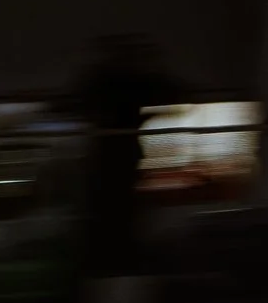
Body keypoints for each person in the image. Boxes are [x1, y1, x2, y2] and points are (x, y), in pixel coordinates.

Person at [66, 35, 186, 279]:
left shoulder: (113, 83)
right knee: (116, 219)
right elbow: (174, 92)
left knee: (113, 219)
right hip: (113, 161)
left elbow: (174, 93)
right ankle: (113, 269)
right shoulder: (126, 83)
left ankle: (110, 269)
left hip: (110, 161)